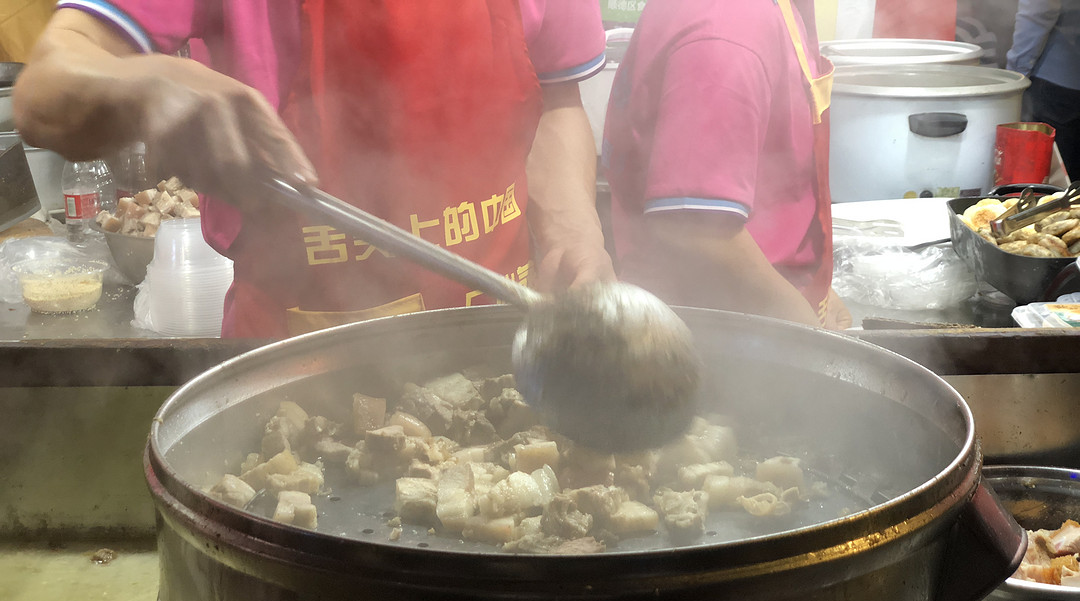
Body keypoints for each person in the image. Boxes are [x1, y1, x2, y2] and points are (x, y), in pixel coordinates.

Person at [14, 1, 615, 338]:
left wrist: (572, 231)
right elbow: (45, 90)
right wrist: (142, 82)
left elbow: (556, 95)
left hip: (508, 335)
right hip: (300, 357)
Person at [601, 0, 850, 329]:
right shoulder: (730, 23)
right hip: (718, 336)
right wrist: (810, 334)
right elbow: (696, 230)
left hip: (759, 312)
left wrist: (815, 288)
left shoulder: (773, 11)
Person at [1007, 0, 1080, 180]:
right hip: (1066, 82)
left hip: (1059, 83)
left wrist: (1014, 77)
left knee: (1056, 180)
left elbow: (1039, 11)